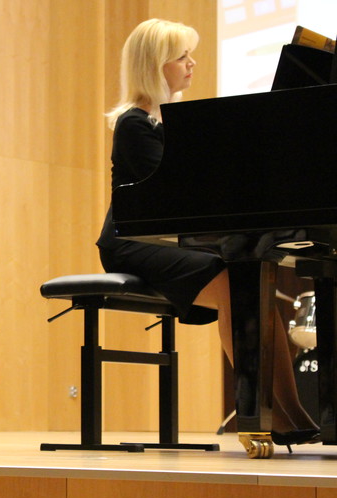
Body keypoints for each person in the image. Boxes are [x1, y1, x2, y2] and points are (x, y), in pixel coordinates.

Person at [96, 19, 318, 446]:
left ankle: (290, 413)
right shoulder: (134, 124)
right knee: (238, 283)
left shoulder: (170, 122)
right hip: (131, 243)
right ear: (155, 64)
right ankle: (265, 414)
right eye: (182, 57)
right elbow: (169, 200)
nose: (191, 64)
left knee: (255, 283)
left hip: (162, 239)